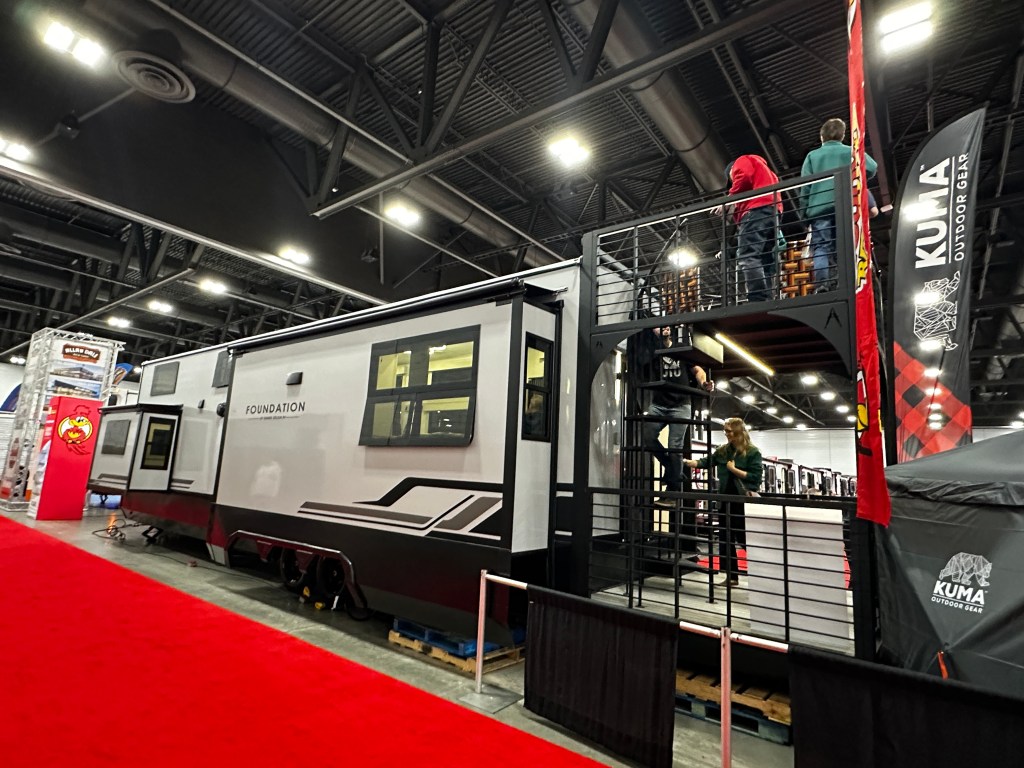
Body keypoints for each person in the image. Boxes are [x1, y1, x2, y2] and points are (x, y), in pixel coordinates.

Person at [799, 118, 878, 292]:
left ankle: (822, 285)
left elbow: (805, 186)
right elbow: (872, 167)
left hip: (819, 210)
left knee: (821, 247)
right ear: (842, 135)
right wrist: (855, 174)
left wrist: (803, 215)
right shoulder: (850, 151)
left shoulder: (812, 156)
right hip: (846, 207)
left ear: (822, 137)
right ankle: (847, 285)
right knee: (846, 246)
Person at [684, 417, 763, 586]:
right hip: (725, 502)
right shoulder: (723, 451)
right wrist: (688, 462)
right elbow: (706, 462)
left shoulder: (753, 452)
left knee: (743, 538)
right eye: (725, 430)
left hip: (742, 502)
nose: (725, 433)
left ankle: (766, 572)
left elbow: (756, 477)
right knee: (726, 540)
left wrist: (734, 469)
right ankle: (731, 577)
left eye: (728, 431)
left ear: (738, 431)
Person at [643, 327, 715, 497]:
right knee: (647, 437)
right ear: (654, 331)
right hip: (659, 404)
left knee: (675, 446)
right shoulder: (651, 351)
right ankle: (673, 470)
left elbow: (697, 370)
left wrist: (704, 383)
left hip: (681, 405)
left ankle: (672, 491)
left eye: (667, 325)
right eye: (660, 326)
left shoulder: (681, 347)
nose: (665, 327)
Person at [711, 155, 782, 303]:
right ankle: (767, 298)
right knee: (763, 260)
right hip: (774, 213)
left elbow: (743, 176)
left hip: (757, 210)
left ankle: (757, 298)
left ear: (731, 171)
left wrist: (728, 199)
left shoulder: (742, 161)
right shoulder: (767, 174)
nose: (732, 183)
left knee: (747, 256)